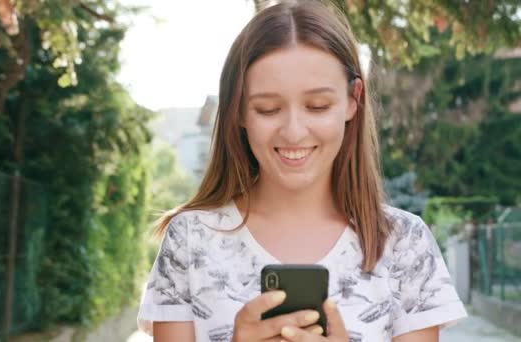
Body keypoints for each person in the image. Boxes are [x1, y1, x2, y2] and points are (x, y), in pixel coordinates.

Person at [137, 1, 468, 341]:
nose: (294, 131)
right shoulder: (190, 240)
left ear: (353, 100)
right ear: (238, 111)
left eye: (317, 106)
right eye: (267, 109)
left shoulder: (404, 244)